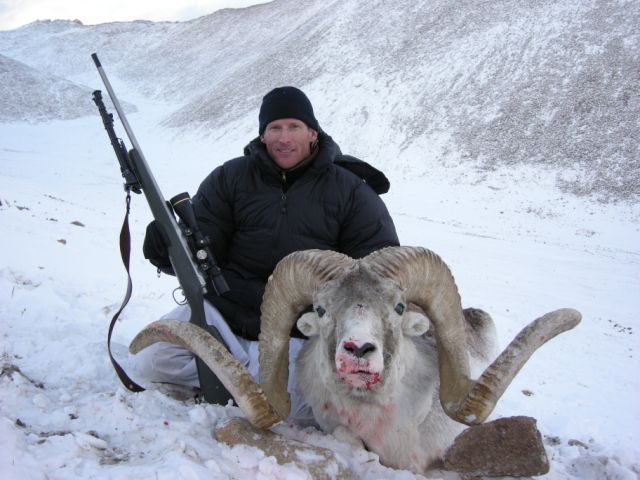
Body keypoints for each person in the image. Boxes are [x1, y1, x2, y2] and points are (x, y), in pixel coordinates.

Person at [133, 86, 399, 424]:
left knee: (306, 409)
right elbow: (201, 247)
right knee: (152, 361)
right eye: (274, 128)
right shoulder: (230, 177)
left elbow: (376, 270)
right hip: (225, 314)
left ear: (313, 133)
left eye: (294, 127)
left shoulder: (351, 190)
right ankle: (249, 381)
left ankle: (229, 377)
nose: (283, 138)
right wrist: (165, 244)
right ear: (262, 135)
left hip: (298, 330)